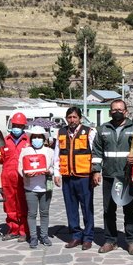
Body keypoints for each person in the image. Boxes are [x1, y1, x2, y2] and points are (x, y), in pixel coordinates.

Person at [92, 100, 133, 255]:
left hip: (127, 176)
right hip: (109, 175)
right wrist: (96, 170)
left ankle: (132, 241)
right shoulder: (103, 129)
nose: (117, 111)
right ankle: (110, 240)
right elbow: (97, 151)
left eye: (120, 109)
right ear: (110, 112)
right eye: (114, 109)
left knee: (129, 209)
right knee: (108, 209)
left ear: (126, 111)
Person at [53, 107, 96, 250]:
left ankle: (88, 237)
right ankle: (76, 235)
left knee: (86, 207)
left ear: (80, 118)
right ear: (66, 118)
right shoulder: (61, 132)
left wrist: (95, 172)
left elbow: (95, 153)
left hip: (84, 176)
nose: (72, 120)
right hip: (67, 176)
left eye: (74, 117)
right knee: (70, 208)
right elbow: (57, 154)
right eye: (69, 117)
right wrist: (57, 173)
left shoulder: (89, 132)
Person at [0, 112, 30, 242]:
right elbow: (1, 159)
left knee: (22, 205)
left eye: (19, 125)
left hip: (23, 179)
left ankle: (23, 231)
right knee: (9, 206)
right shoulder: (4, 141)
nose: (16, 127)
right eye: (15, 125)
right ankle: (13, 229)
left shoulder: (28, 142)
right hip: (7, 179)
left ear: (23, 127)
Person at [18, 126, 55, 249]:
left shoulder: (50, 151)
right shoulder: (25, 151)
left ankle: (44, 235)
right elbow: (20, 167)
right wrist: (25, 173)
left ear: (44, 138)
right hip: (30, 187)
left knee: (44, 213)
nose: (37, 139)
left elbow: (54, 166)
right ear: (31, 139)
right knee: (32, 213)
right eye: (34, 137)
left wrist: (49, 171)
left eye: (39, 137)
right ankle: (33, 237)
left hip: (45, 187)